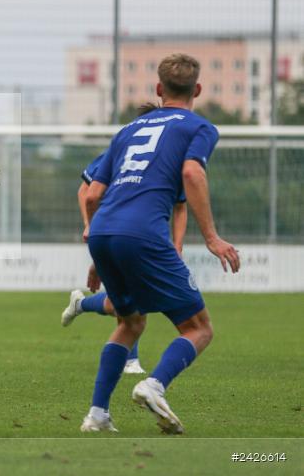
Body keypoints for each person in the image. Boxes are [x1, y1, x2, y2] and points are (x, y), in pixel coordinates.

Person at [79, 53, 240, 434]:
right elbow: (191, 172)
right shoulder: (199, 127)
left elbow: (90, 196)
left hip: (103, 231)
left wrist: (99, 249)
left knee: (130, 322)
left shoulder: (127, 131)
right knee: (198, 328)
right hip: (144, 233)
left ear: (158, 89)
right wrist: (212, 237)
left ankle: (97, 416)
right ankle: (153, 385)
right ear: (197, 89)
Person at [61, 103, 189, 375]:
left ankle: (81, 304)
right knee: (132, 301)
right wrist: (90, 225)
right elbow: (86, 190)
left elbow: (180, 206)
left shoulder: (170, 162)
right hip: (113, 231)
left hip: (144, 235)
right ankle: (130, 359)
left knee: (122, 302)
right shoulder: (117, 152)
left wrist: (177, 246)